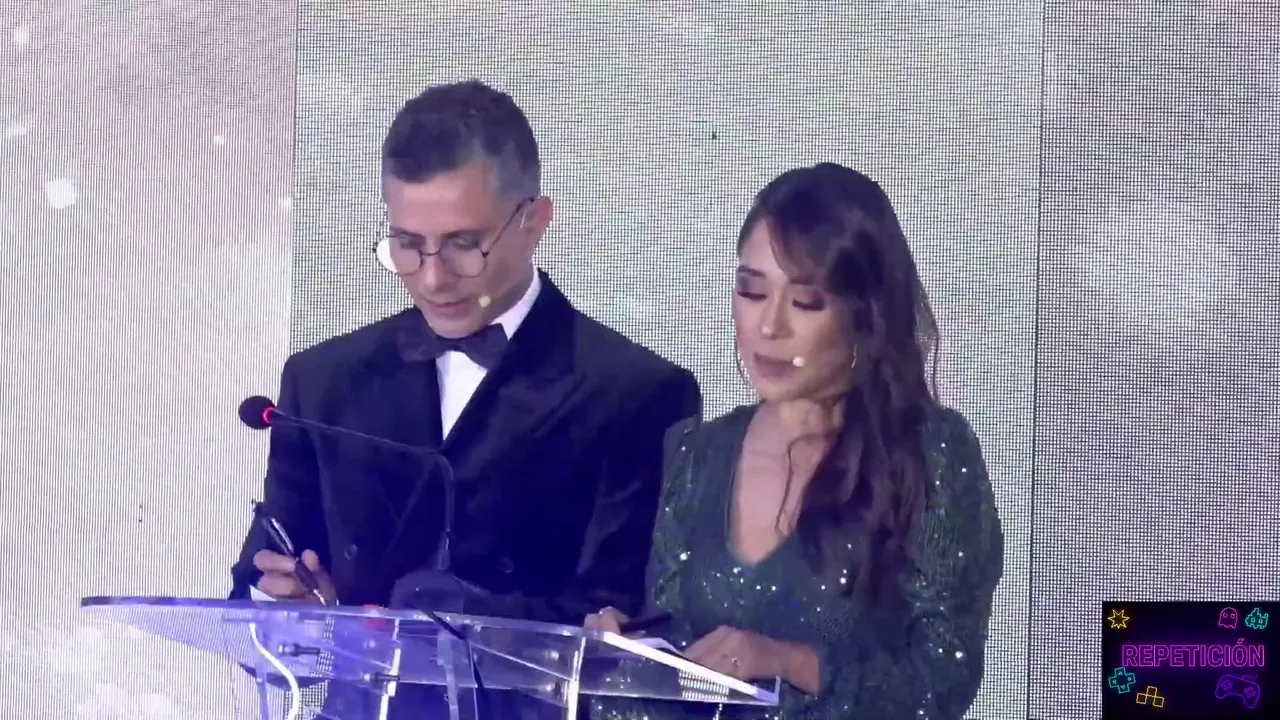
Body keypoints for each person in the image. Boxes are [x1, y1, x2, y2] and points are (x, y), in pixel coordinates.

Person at [228, 79, 701, 715]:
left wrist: (457, 616)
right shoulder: (323, 383)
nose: (432, 277)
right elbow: (254, 593)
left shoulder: (636, 394)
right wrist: (278, 603)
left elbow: (627, 627)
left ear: (534, 221)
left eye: (461, 244)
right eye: (407, 245)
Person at [585, 163, 1003, 719]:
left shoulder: (929, 455)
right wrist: (629, 655)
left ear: (865, 316)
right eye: (751, 292)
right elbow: (679, 662)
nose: (769, 327)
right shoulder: (697, 455)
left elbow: (943, 680)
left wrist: (788, 661)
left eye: (805, 303)